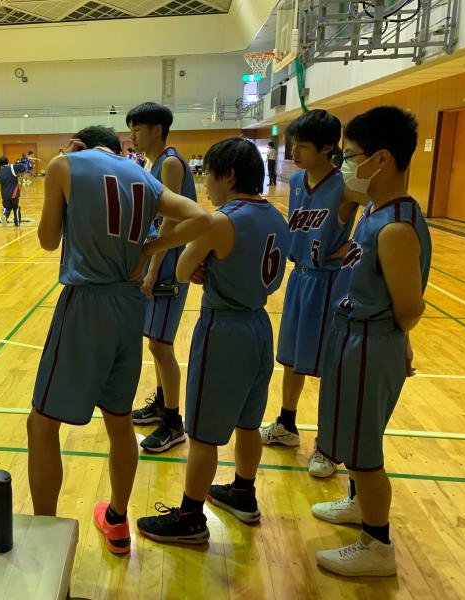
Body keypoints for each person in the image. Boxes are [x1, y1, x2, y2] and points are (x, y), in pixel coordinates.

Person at [26, 125, 210, 555]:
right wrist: (150, 249)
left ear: (80, 145)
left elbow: (48, 241)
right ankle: (117, 520)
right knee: (119, 420)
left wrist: (62, 170)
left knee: (42, 423)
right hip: (130, 305)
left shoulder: (66, 164)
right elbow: (203, 218)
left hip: (86, 303)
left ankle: (44, 538)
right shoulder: (143, 176)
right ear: (116, 146)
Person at [136, 137, 288, 545]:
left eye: (209, 175)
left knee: (203, 432)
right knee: (248, 423)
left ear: (229, 175)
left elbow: (183, 269)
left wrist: (200, 261)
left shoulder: (221, 220)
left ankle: (189, 518)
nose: (205, 184)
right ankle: (242, 490)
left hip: (224, 330)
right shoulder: (277, 217)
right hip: (259, 324)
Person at [312, 106, 431, 577]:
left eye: (352, 156)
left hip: (370, 340)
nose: (345, 165)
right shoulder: (374, 211)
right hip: (353, 335)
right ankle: (360, 505)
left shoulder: (397, 228)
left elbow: (409, 306)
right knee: (352, 437)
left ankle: (377, 545)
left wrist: (397, 338)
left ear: (380, 159)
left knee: (365, 452)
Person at [259, 110, 360, 478]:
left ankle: (328, 447)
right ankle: (287, 425)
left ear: (328, 147)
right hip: (300, 278)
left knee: (329, 365)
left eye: (302, 144)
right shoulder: (299, 180)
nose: (294, 150)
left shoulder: (347, 184)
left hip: (331, 283)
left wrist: (354, 247)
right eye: (293, 142)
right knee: (291, 359)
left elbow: (380, 208)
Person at [126, 102, 197, 453]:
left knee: (161, 344)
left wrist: (153, 266)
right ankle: (161, 402)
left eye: (138, 128)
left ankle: (174, 422)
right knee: (155, 340)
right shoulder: (156, 162)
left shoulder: (170, 162)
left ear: (157, 129)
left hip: (169, 259)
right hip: (162, 256)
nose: (133, 134)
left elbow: (170, 220)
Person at [0, 155, 26, 226]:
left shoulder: (0, 172)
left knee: (7, 207)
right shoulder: (12, 167)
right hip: (14, 193)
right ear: (7, 161)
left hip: (4, 195)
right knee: (16, 208)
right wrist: (21, 173)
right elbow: (23, 166)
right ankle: (17, 222)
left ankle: (5, 215)